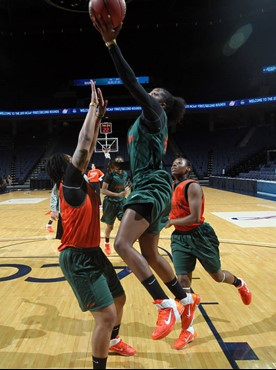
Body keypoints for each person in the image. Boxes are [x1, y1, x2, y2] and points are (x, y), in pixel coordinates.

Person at [91, 16, 200, 342]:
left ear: (162, 104)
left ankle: (163, 303)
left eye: (154, 94)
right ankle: (184, 301)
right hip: (151, 186)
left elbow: (130, 82)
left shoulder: (155, 115)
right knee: (150, 254)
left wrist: (111, 44)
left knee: (123, 244)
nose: (149, 95)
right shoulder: (150, 121)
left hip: (151, 184)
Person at [45, 81, 136, 370]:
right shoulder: (69, 185)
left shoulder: (80, 182)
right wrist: (92, 109)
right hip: (77, 257)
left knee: (119, 298)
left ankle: (114, 342)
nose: (76, 159)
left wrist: (98, 119)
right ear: (65, 169)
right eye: (70, 160)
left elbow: (89, 144)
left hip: (92, 251)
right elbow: (83, 146)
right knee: (105, 316)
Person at [165, 157, 252, 350]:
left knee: (217, 276)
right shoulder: (171, 186)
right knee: (183, 282)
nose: (174, 165)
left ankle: (240, 284)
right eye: (173, 162)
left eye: (179, 163)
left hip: (200, 236)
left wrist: (171, 222)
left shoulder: (193, 186)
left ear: (188, 168)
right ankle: (188, 331)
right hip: (180, 238)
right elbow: (172, 211)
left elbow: (194, 216)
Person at [101, 155, 128, 255]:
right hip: (110, 203)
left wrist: (125, 190)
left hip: (121, 202)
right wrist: (118, 194)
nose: (118, 166)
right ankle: (106, 243)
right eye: (116, 163)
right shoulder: (110, 175)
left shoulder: (125, 173)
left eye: (120, 163)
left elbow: (123, 185)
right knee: (110, 226)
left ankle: (123, 243)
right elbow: (103, 190)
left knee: (126, 222)